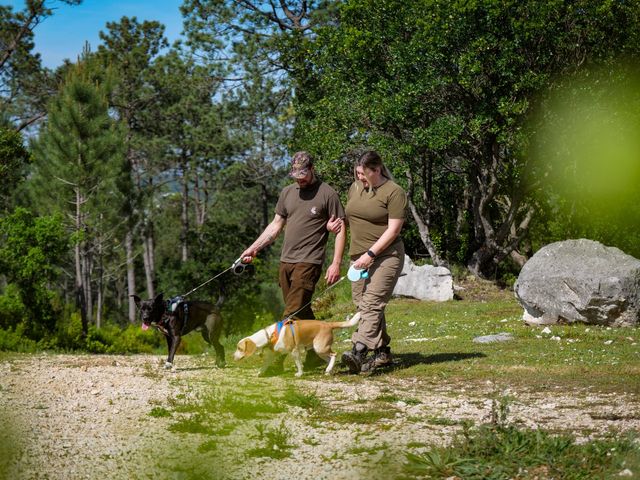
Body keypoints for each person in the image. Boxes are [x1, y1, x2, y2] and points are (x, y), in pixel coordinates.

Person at [240, 151, 346, 375]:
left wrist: (335, 263)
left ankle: (275, 363)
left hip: (309, 262)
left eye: (303, 174)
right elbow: (275, 226)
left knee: (290, 316)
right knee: (301, 311)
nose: (299, 179)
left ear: (312, 169)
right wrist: (253, 248)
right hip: (286, 261)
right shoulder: (287, 192)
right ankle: (315, 355)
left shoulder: (328, 194)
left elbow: (340, 229)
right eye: (295, 175)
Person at [340, 150, 406, 374]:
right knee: (363, 304)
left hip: (386, 255)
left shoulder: (394, 192)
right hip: (358, 256)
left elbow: (393, 229)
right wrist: (336, 224)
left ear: (377, 170)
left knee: (372, 303)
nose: (359, 177)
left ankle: (358, 351)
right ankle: (382, 351)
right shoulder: (355, 187)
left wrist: (371, 254)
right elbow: (351, 216)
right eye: (357, 172)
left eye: (363, 173)